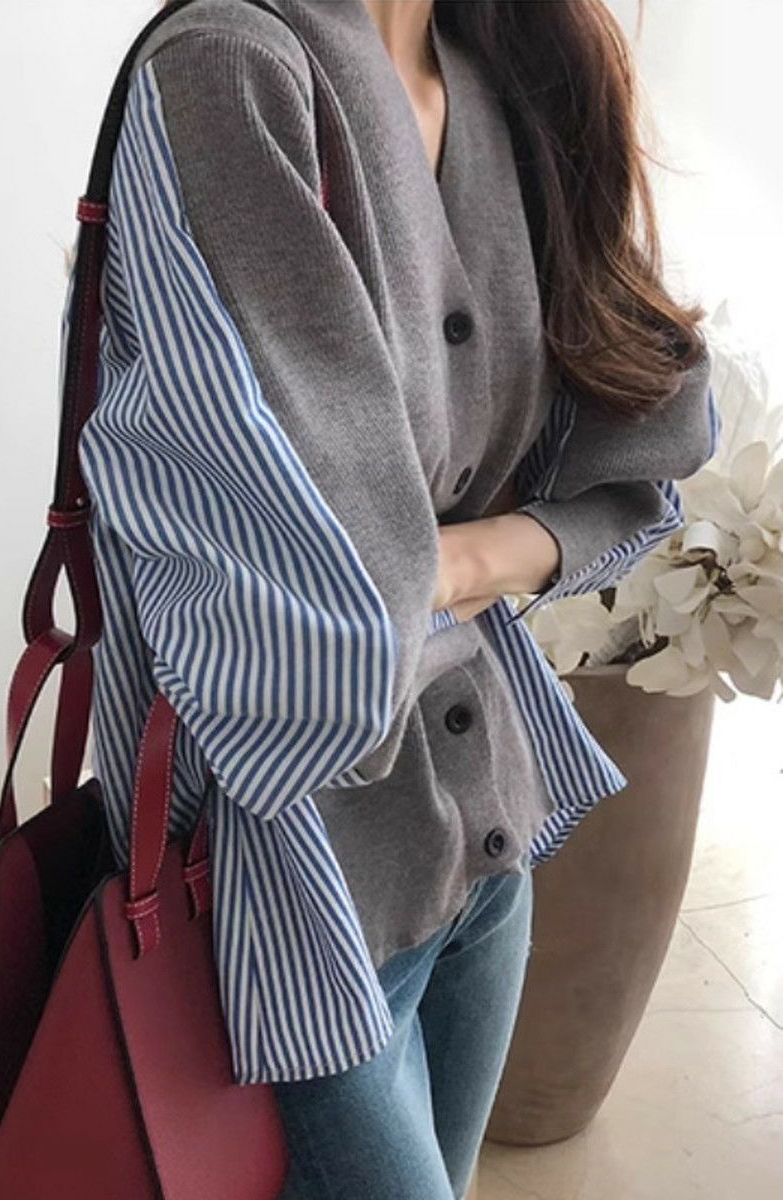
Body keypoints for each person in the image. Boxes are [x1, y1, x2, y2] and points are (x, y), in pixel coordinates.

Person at [68, 0, 719, 1196]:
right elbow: (319, 626)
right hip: (291, 885)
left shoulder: (509, 67)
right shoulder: (233, 70)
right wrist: (480, 558)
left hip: (484, 845)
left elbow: (638, 460)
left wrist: (451, 564)